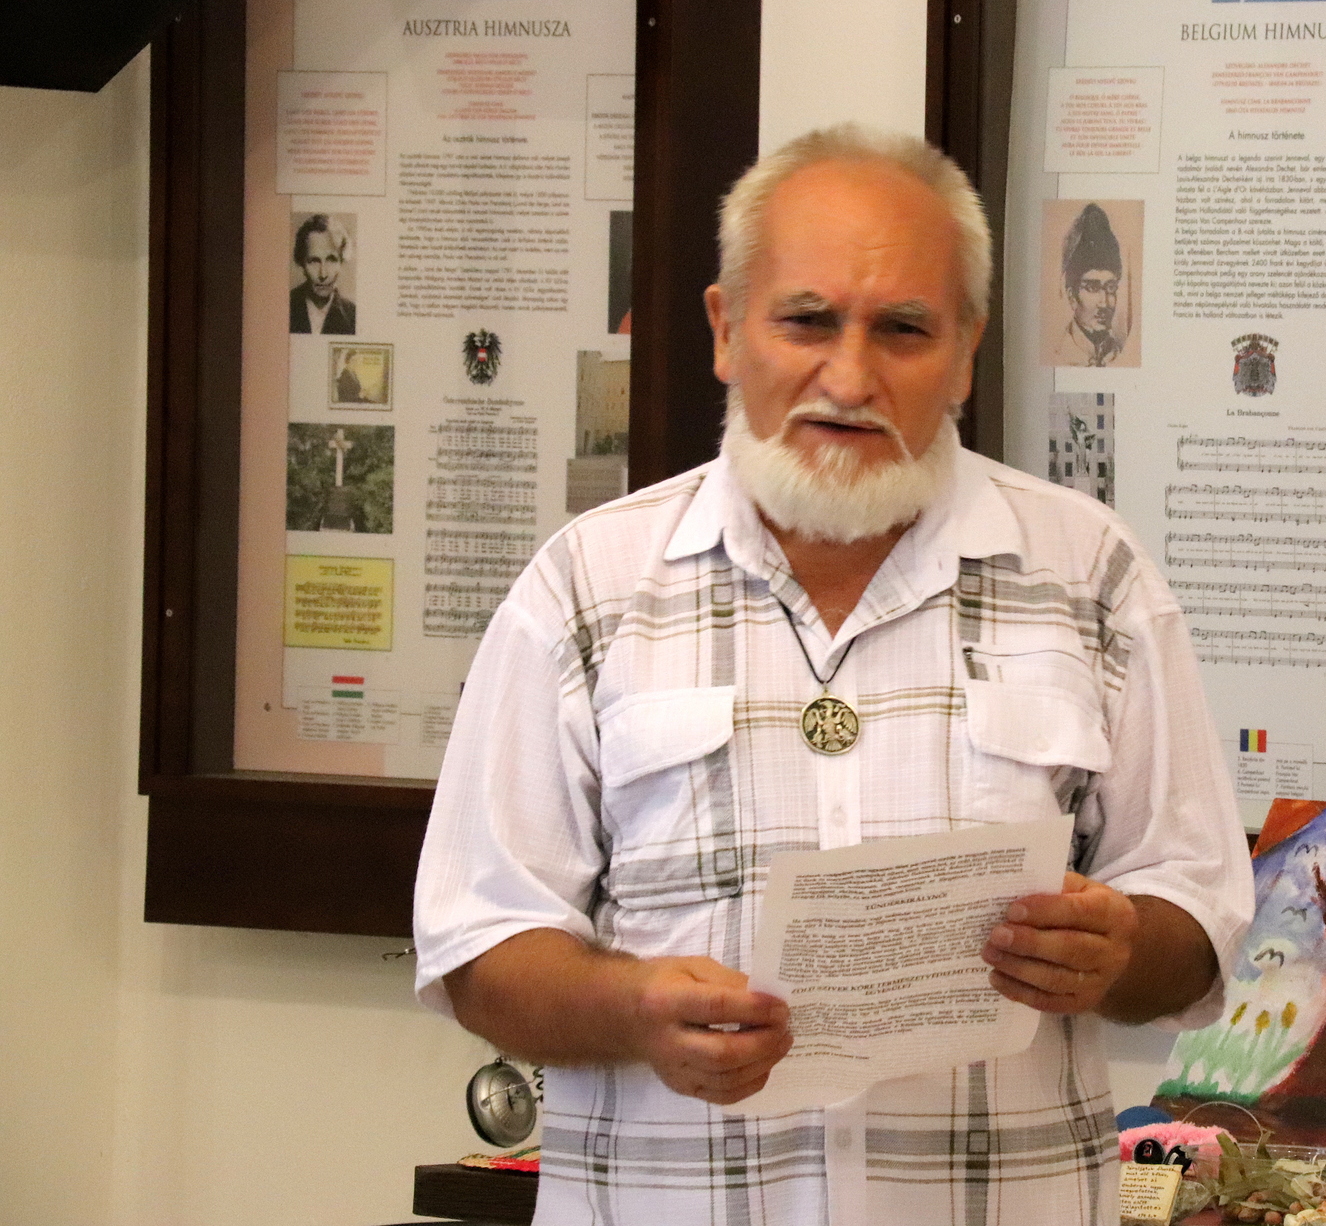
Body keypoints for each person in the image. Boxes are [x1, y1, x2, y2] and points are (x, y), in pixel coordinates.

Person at [413, 123, 1253, 1225]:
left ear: (965, 350)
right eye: (807, 321)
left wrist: (1123, 949)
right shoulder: (587, 587)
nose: (850, 378)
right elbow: (478, 946)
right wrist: (637, 1011)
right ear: (727, 329)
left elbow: (1199, 918)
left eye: (903, 329)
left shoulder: (1091, 576)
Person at [1051, 202, 1131, 367]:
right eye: (1092, 288)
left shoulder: (1117, 355)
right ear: (1072, 296)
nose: (1104, 303)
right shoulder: (1060, 353)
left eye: (1110, 288)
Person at [289, 213, 356, 334]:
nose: (323, 274)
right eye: (314, 261)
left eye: (331, 260)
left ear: (341, 262)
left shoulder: (353, 316)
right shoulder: (285, 305)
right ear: (302, 263)